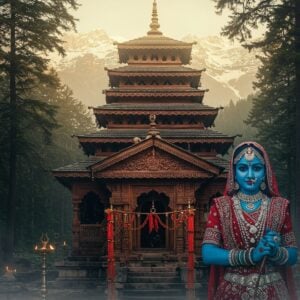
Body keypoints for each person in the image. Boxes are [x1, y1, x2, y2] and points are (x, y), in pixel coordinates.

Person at [202, 141, 298, 300]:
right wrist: (250, 256)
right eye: (243, 168)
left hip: (274, 291)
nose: (250, 175)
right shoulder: (221, 206)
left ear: (265, 172)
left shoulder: (280, 206)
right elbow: (208, 253)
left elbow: (293, 254)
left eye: (257, 168)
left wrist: (276, 251)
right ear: (234, 173)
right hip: (232, 291)